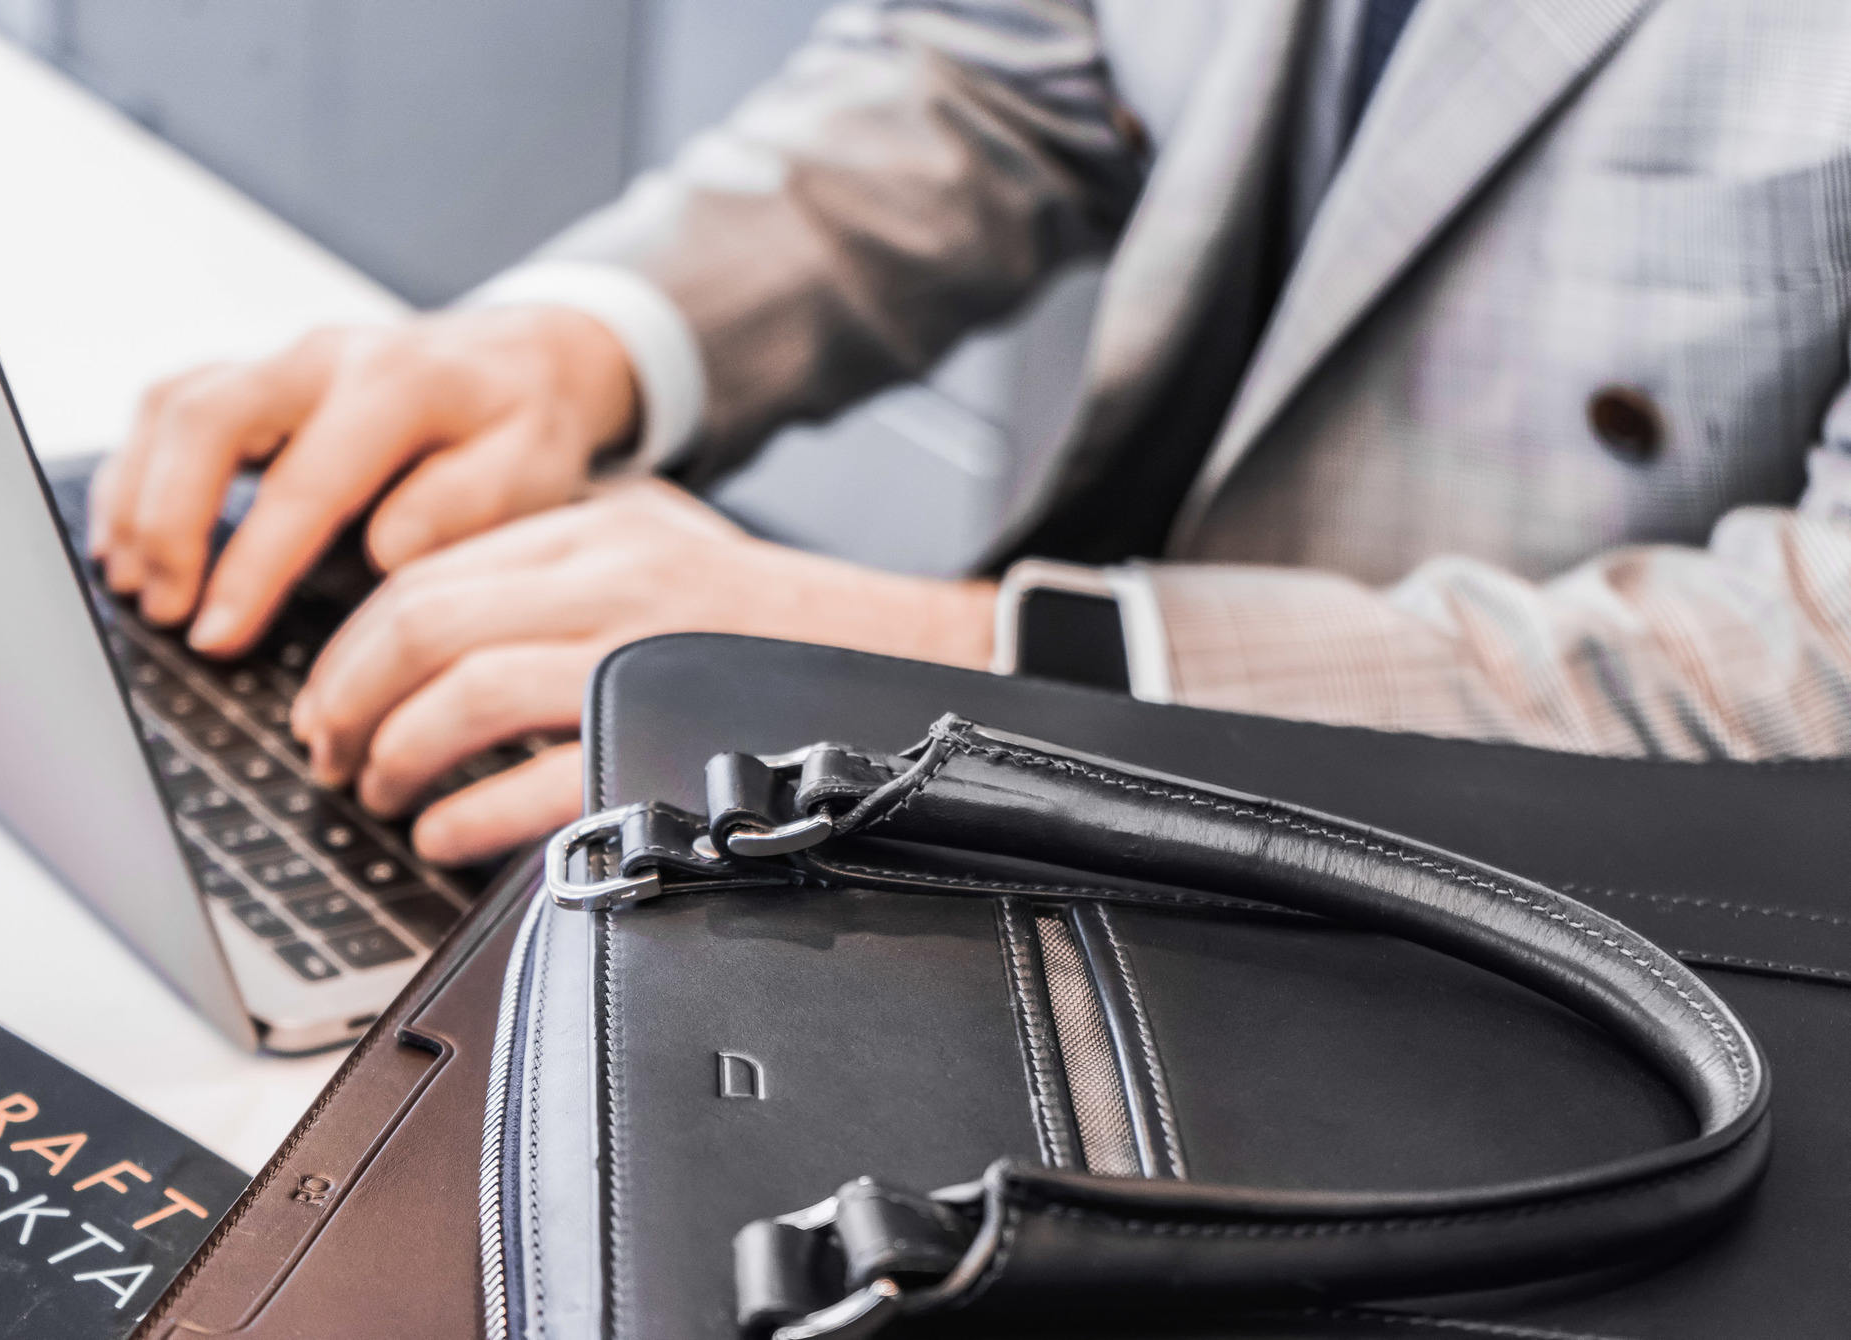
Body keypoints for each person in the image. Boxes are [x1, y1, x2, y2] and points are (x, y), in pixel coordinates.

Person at [91, 0, 1851, 866]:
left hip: (1543, 967)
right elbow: (1008, 66)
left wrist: (981, 660)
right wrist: (586, 349)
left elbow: (1813, 659)